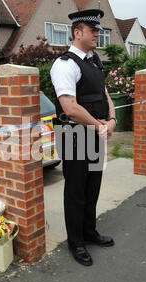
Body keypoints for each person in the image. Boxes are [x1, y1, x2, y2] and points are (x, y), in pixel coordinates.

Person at [50, 9, 116, 266]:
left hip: (95, 133)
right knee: (76, 191)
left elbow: (105, 95)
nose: (98, 34)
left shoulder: (94, 61)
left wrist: (111, 120)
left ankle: (90, 232)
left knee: (93, 187)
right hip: (73, 135)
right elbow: (70, 108)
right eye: (93, 30)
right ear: (77, 33)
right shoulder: (65, 64)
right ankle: (75, 242)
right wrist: (98, 125)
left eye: (98, 30)